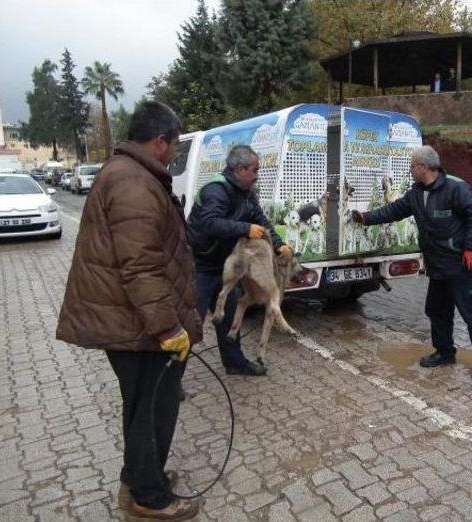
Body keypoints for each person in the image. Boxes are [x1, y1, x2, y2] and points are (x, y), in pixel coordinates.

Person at [56, 101, 203, 520]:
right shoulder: (134, 183)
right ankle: (149, 498)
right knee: (153, 409)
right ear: (160, 142)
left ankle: (140, 477)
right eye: (173, 145)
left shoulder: (128, 173)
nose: (173, 154)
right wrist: (167, 327)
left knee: (145, 406)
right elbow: (140, 266)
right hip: (138, 326)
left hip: (132, 321)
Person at [351, 145, 472, 382]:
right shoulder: (416, 193)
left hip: (459, 266)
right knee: (437, 311)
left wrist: (471, 248)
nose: (410, 170)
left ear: (423, 167)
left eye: (412, 166)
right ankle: (444, 352)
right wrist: (367, 218)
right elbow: (394, 210)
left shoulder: (455, 188)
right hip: (437, 266)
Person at [187, 145, 292, 376]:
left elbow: (261, 222)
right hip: (199, 265)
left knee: (230, 315)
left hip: (223, 265)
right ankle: (172, 378)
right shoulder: (216, 190)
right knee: (191, 320)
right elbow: (210, 223)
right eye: (254, 170)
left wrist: (278, 244)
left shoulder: (246, 194)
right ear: (240, 169)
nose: (257, 175)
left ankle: (234, 363)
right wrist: (246, 228)